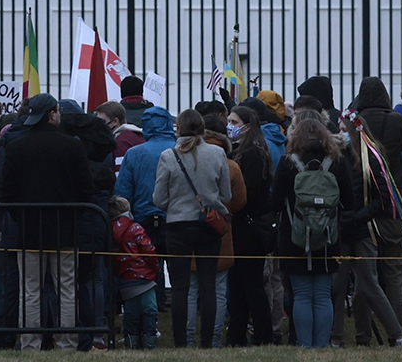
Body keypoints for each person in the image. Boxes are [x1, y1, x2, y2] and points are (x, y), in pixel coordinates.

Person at [0, 93, 93, 349]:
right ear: (52, 114)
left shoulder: (16, 146)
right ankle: (67, 343)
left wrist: (22, 216)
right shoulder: (72, 146)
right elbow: (86, 190)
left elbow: (6, 192)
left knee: (30, 290)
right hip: (65, 229)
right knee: (67, 289)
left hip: (29, 229)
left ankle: (30, 343)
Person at [151, 108, 231, 349]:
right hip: (208, 224)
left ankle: (180, 342)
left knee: (180, 287)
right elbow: (226, 194)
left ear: (179, 128)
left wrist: (175, 204)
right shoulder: (217, 153)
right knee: (208, 285)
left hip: (178, 224)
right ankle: (208, 342)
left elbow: (158, 199)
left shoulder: (169, 155)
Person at [271, 117, 350, 349]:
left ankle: (305, 345)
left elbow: (275, 203)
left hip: (294, 236)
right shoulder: (337, 161)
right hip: (328, 236)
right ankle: (323, 346)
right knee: (324, 294)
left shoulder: (287, 162)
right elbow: (349, 201)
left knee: (302, 294)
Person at [349, 77, 402, 342]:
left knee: (366, 277)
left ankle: (363, 334)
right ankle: (395, 330)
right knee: (393, 272)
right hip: (392, 203)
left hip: (362, 206)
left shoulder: (352, 123)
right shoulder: (398, 121)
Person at [224, 102, 277, 345]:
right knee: (238, 287)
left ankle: (262, 334)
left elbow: (253, 192)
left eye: (234, 123)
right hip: (241, 226)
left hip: (249, 227)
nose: (229, 127)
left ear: (247, 127)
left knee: (251, 285)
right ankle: (237, 334)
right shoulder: (238, 152)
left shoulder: (253, 153)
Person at [113, 98, 177, 245]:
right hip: (175, 217)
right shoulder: (180, 149)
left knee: (146, 265)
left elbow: (123, 190)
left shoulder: (134, 153)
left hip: (142, 217)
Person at [109, 196, 160, 350]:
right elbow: (147, 249)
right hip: (144, 279)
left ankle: (131, 343)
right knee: (149, 313)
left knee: (130, 315)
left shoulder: (110, 230)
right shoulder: (135, 228)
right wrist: (156, 266)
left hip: (126, 280)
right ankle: (150, 344)